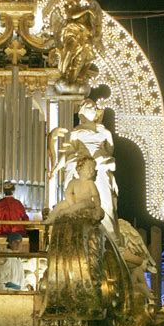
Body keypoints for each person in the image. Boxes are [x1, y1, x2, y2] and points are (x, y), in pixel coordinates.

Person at [50, 99, 119, 238]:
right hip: (82, 167)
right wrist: (56, 167)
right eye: (89, 106)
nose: (93, 108)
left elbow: (109, 151)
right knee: (80, 202)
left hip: (99, 166)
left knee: (107, 204)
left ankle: (110, 238)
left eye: (94, 107)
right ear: (82, 111)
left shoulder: (105, 132)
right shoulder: (76, 131)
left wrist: (100, 160)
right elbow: (69, 152)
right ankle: (78, 234)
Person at [45, 155, 103, 224]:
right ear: (80, 169)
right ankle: (50, 219)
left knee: (83, 204)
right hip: (74, 202)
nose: (92, 171)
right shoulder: (73, 182)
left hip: (87, 202)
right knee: (60, 205)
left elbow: (96, 196)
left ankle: (65, 212)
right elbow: (67, 193)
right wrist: (72, 203)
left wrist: (98, 208)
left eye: (93, 168)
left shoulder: (90, 183)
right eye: (89, 168)